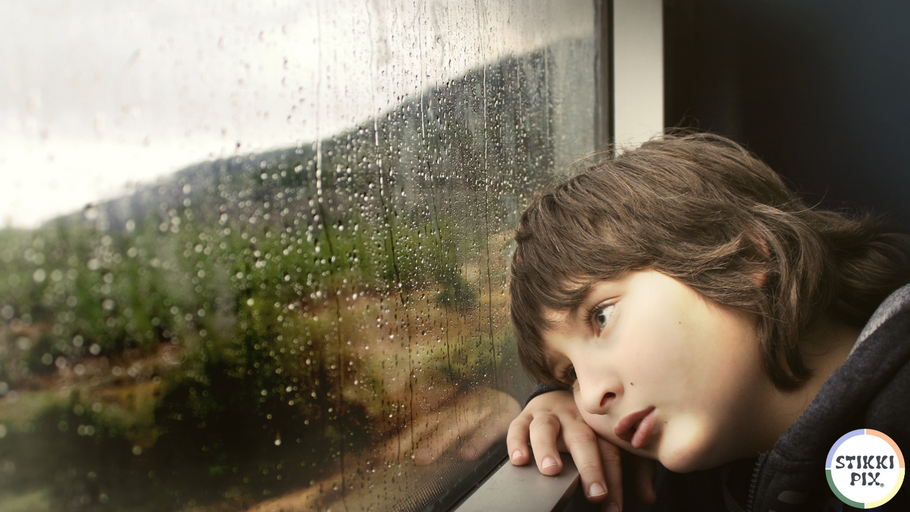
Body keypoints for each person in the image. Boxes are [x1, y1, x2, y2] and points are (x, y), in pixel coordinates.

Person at [505, 133, 910, 511]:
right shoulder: (718, 453)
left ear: (745, 254)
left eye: (602, 316)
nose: (591, 397)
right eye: (571, 373)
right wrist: (551, 398)